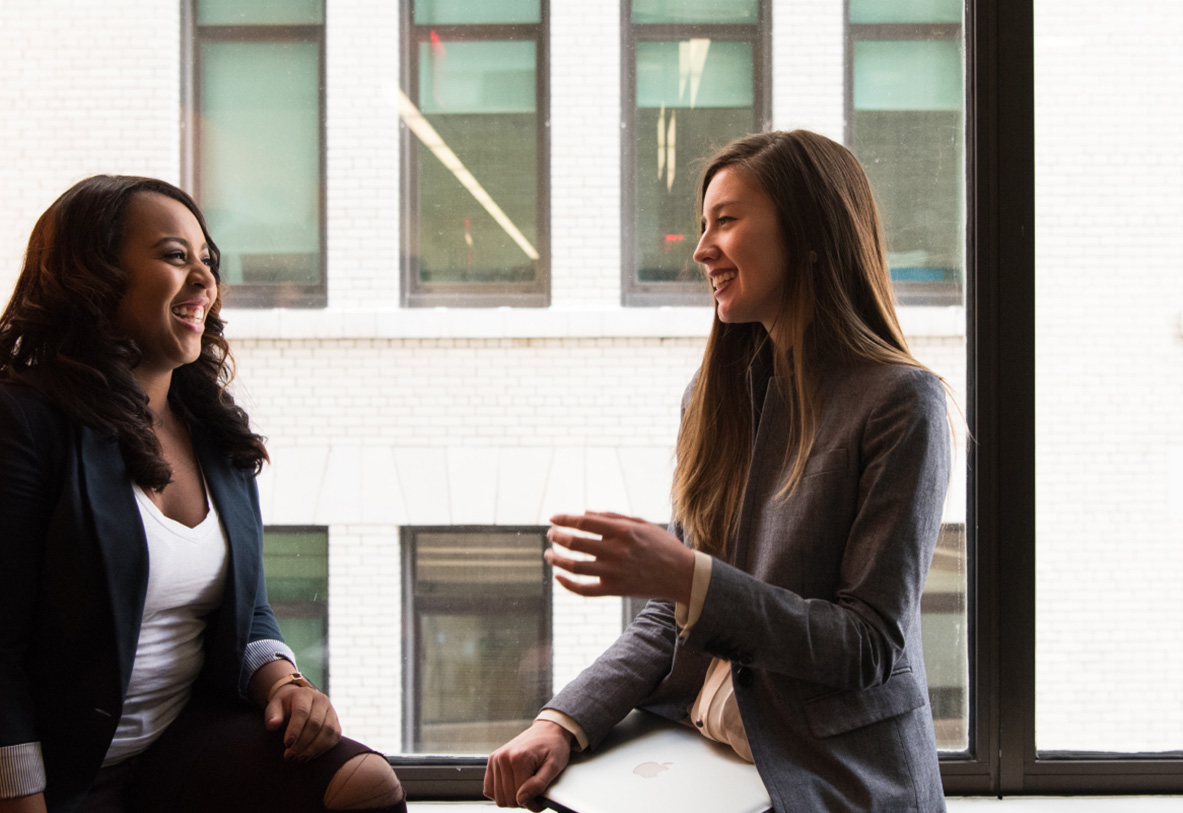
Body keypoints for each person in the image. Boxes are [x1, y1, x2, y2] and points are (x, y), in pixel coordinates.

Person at [484, 130, 952, 811]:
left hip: (834, 774)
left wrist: (686, 575)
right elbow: (670, 617)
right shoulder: (716, 395)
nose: (701, 249)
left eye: (725, 221)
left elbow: (867, 645)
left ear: (809, 231)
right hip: (704, 758)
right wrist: (561, 721)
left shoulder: (901, 402)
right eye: (703, 225)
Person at [0, 176, 406, 813]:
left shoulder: (213, 430)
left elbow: (246, 612)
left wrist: (286, 682)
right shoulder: (24, 420)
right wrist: (20, 797)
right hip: (53, 769)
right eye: (173, 256)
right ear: (93, 277)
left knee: (365, 786)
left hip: (174, 747)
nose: (203, 281)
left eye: (207, 261)